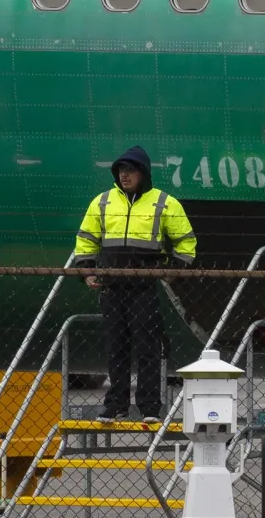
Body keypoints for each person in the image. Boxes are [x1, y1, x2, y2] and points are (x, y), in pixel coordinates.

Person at [72, 147, 197, 421]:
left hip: (143, 287)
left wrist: (174, 270)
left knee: (147, 347)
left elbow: (186, 242)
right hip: (112, 286)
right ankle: (115, 405)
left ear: (143, 173)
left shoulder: (164, 203)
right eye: (120, 170)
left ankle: (150, 407)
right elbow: (86, 240)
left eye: (129, 170)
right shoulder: (102, 202)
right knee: (117, 347)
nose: (123, 175)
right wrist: (87, 271)